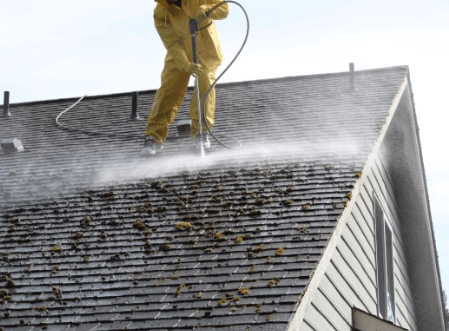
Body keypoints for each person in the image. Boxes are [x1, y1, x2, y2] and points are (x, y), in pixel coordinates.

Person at [143, 0, 229, 155]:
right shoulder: (161, 13)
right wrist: (186, 65)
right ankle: (153, 137)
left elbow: (224, 8)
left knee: (205, 85)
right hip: (179, 54)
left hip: (206, 50)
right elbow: (173, 44)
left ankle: (201, 133)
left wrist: (206, 9)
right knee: (168, 90)